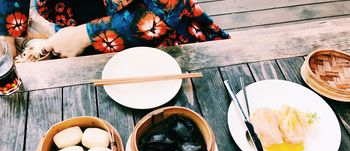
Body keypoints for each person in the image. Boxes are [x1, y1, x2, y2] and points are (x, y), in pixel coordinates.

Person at [0, 0, 229, 58]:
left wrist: (85, 35)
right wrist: (6, 32)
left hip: (164, 42)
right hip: (72, 29)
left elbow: (168, 6)